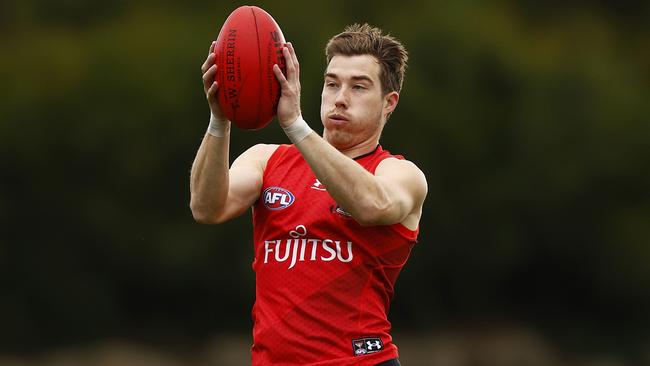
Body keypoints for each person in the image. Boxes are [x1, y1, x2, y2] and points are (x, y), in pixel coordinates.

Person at [190, 23, 427, 366]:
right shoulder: (267, 158)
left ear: (389, 103)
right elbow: (206, 207)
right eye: (332, 84)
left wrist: (296, 125)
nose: (340, 98)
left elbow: (371, 205)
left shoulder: (399, 173)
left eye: (359, 87)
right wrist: (220, 118)